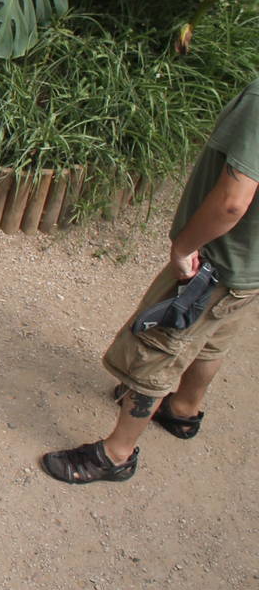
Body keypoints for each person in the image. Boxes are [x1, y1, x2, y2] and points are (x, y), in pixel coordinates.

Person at [42, 76, 259, 484]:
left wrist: (184, 246)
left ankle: (115, 454)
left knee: (158, 350)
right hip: (249, 269)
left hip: (213, 264)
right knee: (211, 340)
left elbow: (233, 202)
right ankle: (183, 411)